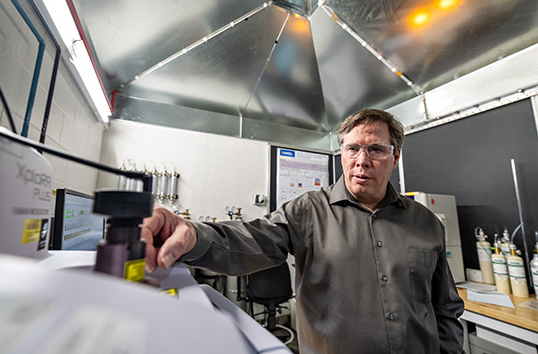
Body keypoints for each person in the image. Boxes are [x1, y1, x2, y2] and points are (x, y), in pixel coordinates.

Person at [141, 109, 465, 354]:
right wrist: (194, 235)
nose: (361, 161)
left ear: (395, 157)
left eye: (376, 150)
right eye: (352, 149)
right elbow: (254, 238)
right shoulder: (309, 210)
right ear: (342, 155)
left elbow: (445, 306)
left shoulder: (426, 222)